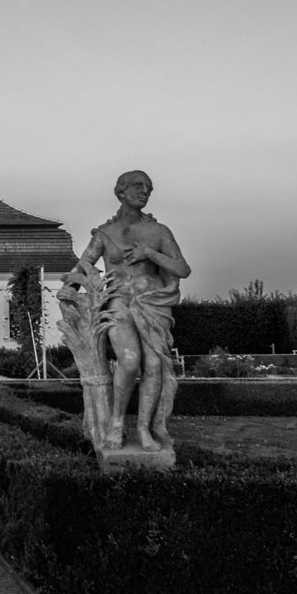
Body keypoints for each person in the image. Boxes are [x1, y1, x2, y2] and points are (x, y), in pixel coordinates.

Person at [74, 171, 190, 450]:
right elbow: (84, 266)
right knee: (128, 361)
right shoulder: (105, 233)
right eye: (138, 186)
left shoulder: (159, 233)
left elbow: (182, 269)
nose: (145, 191)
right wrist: (70, 290)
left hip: (152, 304)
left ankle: (143, 429)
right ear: (121, 192)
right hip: (119, 303)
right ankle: (116, 424)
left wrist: (150, 254)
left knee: (153, 365)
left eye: (148, 188)